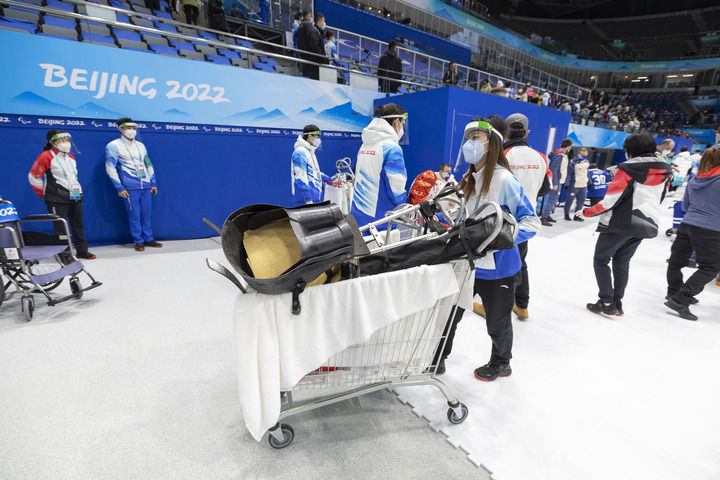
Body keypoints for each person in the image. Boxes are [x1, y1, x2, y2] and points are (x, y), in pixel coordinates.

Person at [437, 117, 539, 380]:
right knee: (451, 314)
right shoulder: (469, 179)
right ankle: (438, 357)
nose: (470, 143)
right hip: (466, 262)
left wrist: (497, 238)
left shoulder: (504, 180)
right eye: (468, 137)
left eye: (477, 138)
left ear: (492, 143)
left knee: (497, 322)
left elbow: (531, 222)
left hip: (499, 269)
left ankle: (501, 363)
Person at [582, 133, 672, 316]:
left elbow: (610, 200)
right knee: (622, 261)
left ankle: (606, 302)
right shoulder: (665, 169)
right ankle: (617, 302)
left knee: (601, 260)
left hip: (621, 222)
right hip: (648, 221)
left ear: (630, 150)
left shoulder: (628, 169)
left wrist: (586, 211)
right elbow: (660, 197)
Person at [502, 113, 548, 320]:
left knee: (502, 263)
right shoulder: (540, 157)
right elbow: (545, 188)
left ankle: (497, 306)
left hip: (504, 219)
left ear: (505, 132)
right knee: (520, 261)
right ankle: (522, 305)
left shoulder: (504, 154)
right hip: (527, 219)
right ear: (527, 133)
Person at [665, 147, 720, 320]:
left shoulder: (695, 178)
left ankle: (673, 292)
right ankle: (681, 299)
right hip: (711, 229)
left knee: (676, 261)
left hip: (687, 224)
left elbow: (685, 207)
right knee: (710, 267)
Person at [28, 130, 95, 260]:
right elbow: (33, 177)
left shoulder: (71, 158)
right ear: (52, 142)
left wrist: (79, 193)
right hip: (56, 198)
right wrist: (44, 194)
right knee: (60, 227)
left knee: (78, 225)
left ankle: (82, 251)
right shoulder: (46, 156)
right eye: (61, 140)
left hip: (75, 196)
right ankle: (64, 255)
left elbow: (72, 178)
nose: (66, 143)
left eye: (67, 140)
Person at [105, 118, 162, 252]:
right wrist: (119, 187)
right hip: (130, 186)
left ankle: (149, 239)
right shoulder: (113, 145)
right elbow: (110, 168)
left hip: (146, 185)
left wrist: (153, 182)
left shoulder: (141, 146)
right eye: (128, 128)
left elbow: (148, 163)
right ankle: (138, 240)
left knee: (146, 214)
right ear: (120, 129)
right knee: (135, 215)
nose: (131, 131)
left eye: (134, 128)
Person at [350, 103, 408, 227]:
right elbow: (396, 189)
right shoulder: (392, 148)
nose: (402, 128)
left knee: (360, 246)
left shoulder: (365, 144)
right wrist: (407, 206)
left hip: (358, 212)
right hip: (381, 218)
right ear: (396, 122)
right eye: (402, 124)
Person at [291, 125, 329, 206]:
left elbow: (315, 172)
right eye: (316, 136)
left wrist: (330, 181)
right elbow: (300, 176)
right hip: (304, 199)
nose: (318, 139)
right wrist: (307, 198)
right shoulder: (300, 152)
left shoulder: (310, 152)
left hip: (314, 197)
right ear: (309, 136)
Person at [541, 139, 572, 225]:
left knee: (553, 199)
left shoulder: (561, 155)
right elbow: (553, 169)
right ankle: (544, 217)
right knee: (552, 199)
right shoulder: (559, 156)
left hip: (559, 180)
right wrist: (554, 182)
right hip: (556, 180)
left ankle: (547, 215)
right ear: (568, 147)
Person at [296, 13, 328, 80]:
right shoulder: (313, 31)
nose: (324, 23)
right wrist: (324, 59)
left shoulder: (316, 31)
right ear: (319, 21)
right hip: (313, 64)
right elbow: (315, 47)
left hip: (314, 62)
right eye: (323, 21)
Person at [564, 147, 590, 221]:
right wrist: (567, 183)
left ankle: (577, 216)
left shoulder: (587, 162)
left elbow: (586, 173)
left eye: (585, 153)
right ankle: (566, 214)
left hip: (584, 185)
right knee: (569, 201)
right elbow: (569, 174)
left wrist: (589, 181)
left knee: (581, 202)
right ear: (579, 153)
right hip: (574, 185)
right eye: (583, 153)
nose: (584, 155)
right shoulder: (573, 162)